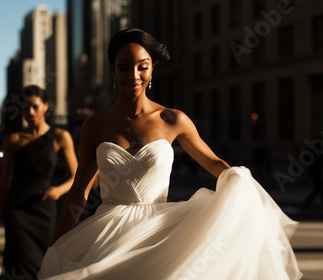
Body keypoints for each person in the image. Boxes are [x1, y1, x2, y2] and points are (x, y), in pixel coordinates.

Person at [38, 28, 302, 280]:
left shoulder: (173, 120)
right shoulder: (95, 125)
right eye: (124, 66)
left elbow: (212, 162)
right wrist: (55, 245)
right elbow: (79, 193)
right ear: (113, 69)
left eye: (143, 66)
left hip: (158, 234)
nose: (134, 75)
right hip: (107, 235)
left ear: (152, 68)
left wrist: (238, 180)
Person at [0, 85, 78, 280]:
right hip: (17, 211)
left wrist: (58, 190)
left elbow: (76, 177)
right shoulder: (13, 140)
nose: (29, 112)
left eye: (34, 106)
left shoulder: (60, 137)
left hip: (44, 211)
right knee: (20, 265)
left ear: (45, 106)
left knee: (45, 265)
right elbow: (4, 184)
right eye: (24, 108)